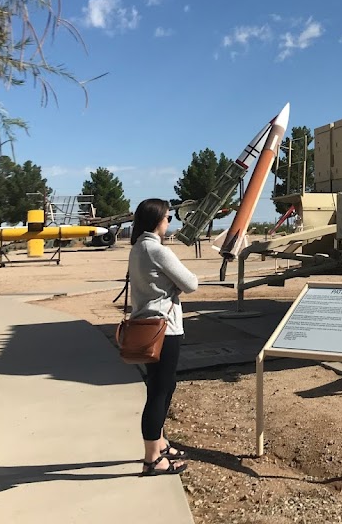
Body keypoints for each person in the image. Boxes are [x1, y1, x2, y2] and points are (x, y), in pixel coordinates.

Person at [128, 198, 198, 476]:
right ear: (157, 220)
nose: (170, 222)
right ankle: (152, 459)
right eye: (168, 217)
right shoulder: (157, 250)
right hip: (164, 329)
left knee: (161, 387)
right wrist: (175, 287)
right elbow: (191, 283)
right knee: (160, 391)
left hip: (146, 326)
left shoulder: (137, 248)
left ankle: (159, 442)